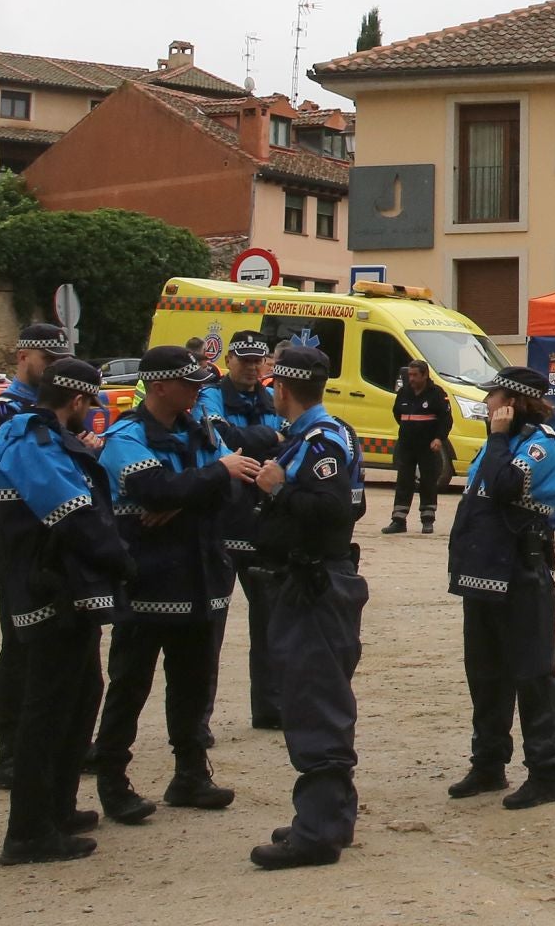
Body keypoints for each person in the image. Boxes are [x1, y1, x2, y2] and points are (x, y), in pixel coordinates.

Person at [0, 358, 132, 866]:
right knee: (47, 710)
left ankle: (57, 810)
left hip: (65, 594)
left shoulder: (42, 439)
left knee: (81, 694)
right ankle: (27, 832)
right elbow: (76, 520)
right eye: (92, 405)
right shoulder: (34, 445)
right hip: (50, 597)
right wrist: (124, 561)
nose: (92, 416)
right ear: (78, 401)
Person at [94, 345, 255, 824]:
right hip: (148, 584)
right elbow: (153, 490)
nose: (197, 393)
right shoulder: (127, 436)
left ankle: (190, 775)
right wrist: (207, 479)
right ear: (160, 386)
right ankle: (112, 782)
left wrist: (190, 493)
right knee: (130, 685)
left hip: (201, 579)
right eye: (188, 385)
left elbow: (239, 480)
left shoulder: (199, 431)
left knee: (193, 683)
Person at [246, 345, 369, 870]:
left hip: (314, 585)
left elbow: (334, 509)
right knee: (318, 698)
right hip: (313, 580)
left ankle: (316, 832)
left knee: (315, 704)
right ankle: (330, 817)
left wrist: (277, 490)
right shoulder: (321, 435)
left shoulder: (319, 441)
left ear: (283, 389)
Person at [445, 367, 555, 808]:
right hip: (482, 573)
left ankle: (545, 773)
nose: (485, 405)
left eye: (492, 397)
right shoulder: (497, 443)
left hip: (522, 574)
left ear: (512, 403)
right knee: (484, 673)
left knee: (533, 674)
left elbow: (502, 487)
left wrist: (499, 437)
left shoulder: (542, 444)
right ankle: (488, 765)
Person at [0, 322, 77, 792]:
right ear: (23, 356)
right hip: (18, 544)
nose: (53, 368)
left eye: (60, 361)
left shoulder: (60, 406)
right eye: (46, 359)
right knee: (19, 648)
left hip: (57, 549)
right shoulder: (6, 410)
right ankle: (11, 754)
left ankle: (55, 748)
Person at [195, 333, 288, 740]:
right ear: (229, 359)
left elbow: (285, 444)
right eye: (244, 360)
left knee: (268, 622)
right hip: (220, 523)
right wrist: (264, 441)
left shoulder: (270, 398)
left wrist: (247, 443)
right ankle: (198, 719)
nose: (251, 367)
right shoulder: (211, 394)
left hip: (258, 524)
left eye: (258, 360)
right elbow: (220, 438)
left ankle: (269, 708)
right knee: (207, 628)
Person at [382, 360, 452, 535]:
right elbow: (397, 413)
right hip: (406, 445)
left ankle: (427, 520)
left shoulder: (436, 394)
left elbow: (446, 419)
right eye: (409, 375)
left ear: (425, 375)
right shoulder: (404, 392)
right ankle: (398, 520)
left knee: (428, 482)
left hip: (428, 447)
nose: (411, 378)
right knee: (403, 482)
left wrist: (438, 438)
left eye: (414, 375)